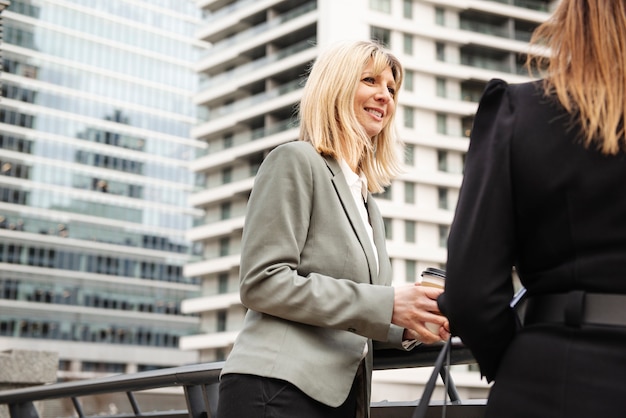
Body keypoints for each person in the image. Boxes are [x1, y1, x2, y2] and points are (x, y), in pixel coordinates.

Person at [216, 40, 450, 418]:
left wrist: (408, 324)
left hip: (340, 400)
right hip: (276, 389)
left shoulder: (366, 202)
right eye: (370, 81)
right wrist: (388, 302)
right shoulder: (295, 161)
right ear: (337, 88)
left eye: (391, 88)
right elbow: (262, 282)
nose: (384, 96)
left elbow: (355, 315)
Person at [439, 1, 626, 417]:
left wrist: (522, 359)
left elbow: (471, 294)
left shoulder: (520, 112)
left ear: (572, 19)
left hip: (557, 375)